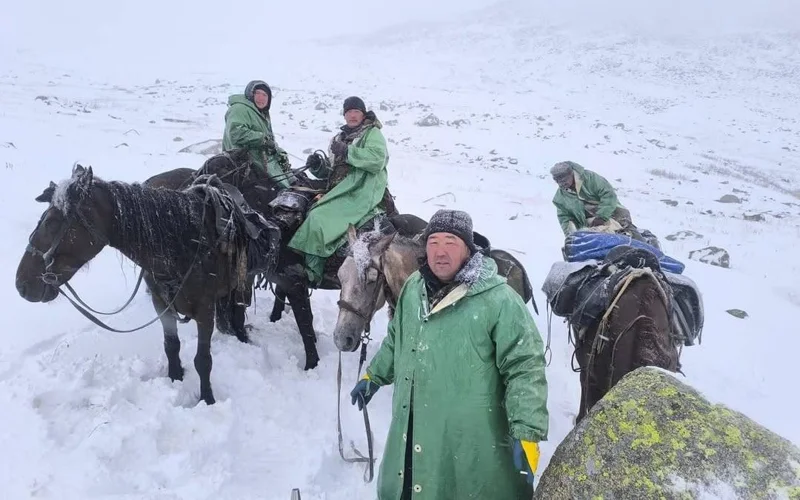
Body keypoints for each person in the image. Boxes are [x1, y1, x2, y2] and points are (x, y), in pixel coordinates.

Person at [350, 209, 549, 499]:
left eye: (451, 243)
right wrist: (374, 375)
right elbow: (398, 339)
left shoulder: (499, 300)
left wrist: (527, 431)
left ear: (468, 249)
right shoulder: (413, 288)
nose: (440, 252)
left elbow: (525, 366)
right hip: (412, 427)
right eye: (433, 242)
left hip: (470, 441)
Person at [287, 96, 393, 285]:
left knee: (318, 218)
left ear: (363, 114)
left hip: (361, 190)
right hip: (340, 188)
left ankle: (313, 272)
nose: (352, 115)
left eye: (356, 112)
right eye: (349, 112)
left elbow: (377, 160)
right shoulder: (339, 138)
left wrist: (347, 152)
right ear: (344, 115)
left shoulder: (372, 134)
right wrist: (318, 167)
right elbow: (333, 170)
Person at [222, 80, 294, 189]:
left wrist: (279, 152)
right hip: (245, 164)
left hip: (259, 162)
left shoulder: (260, 114)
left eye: (265, 95)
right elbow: (236, 133)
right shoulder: (239, 109)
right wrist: (263, 139)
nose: (261, 98)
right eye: (258, 93)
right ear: (250, 94)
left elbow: (269, 140)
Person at [550, 161, 638, 237]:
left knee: (628, 231)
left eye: (564, 179)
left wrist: (601, 217)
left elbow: (608, 195)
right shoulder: (560, 199)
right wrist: (571, 235)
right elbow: (565, 218)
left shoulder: (591, 178)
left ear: (571, 174)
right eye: (558, 181)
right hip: (589, 227)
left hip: (612, 212)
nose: (561, 184)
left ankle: (644, 246)